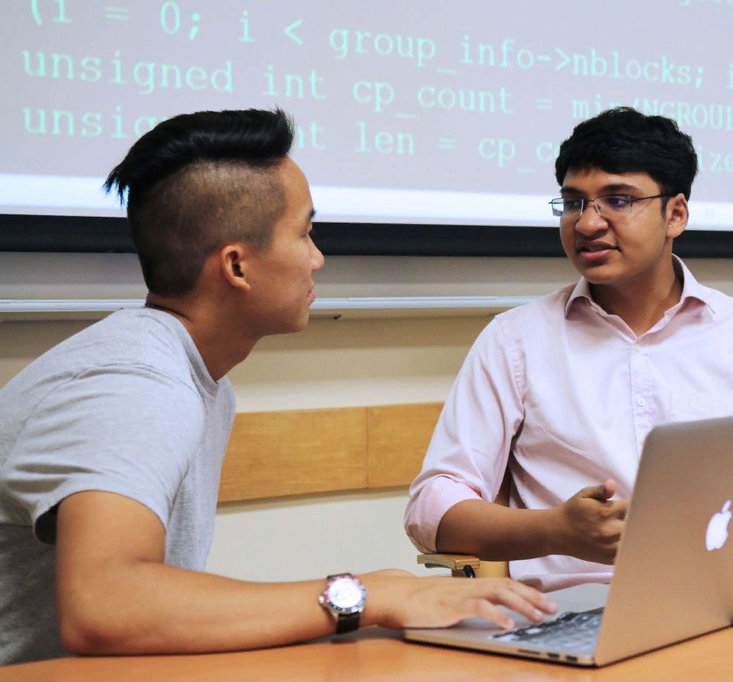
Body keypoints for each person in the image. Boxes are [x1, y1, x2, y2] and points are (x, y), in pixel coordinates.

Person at [0, 108, 554, 666]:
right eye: (304, 232)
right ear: (237, 266)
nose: (318, 258)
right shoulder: (139, 385)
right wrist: (366, 596)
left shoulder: (192, 378)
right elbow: (106, 605)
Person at [405, 107, 733, 591]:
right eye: (573, 203)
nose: (587, 224)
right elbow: (432, 508)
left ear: (675, 214)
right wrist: (555, 530)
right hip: (573, 608)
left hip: (724, 601)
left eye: (617, 200)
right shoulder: (516, 340)